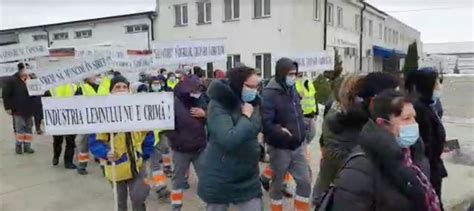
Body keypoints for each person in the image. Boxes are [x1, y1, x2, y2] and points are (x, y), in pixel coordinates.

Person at [330, 90, 440, 211]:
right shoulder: (360, 168)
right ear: (382, 123)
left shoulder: (414, 154)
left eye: (414, 117)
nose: (414, 124)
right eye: (406, 118)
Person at [198, 66, 263, 211]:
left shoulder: (255, 103)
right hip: (221, 176)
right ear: (238, 84)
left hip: (248, 176)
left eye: (256, 86)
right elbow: (229, 139)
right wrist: (245, 117)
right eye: (249, 86)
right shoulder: (218, 105)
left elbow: (259, 127)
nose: (254, 91)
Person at [88, 75, 154, 211]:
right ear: (111, 91)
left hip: (137, 165)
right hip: (115, 167)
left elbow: (148, 134)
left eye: (124, 87)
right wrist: (105, 153)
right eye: (117, 87)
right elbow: (94, 142)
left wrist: (145, 153)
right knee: (120, 203)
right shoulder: (103, 115)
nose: (121, 90)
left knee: (139, 197)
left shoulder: (138, 111)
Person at [261, 58, 311, 211]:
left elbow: (297, 112)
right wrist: (280, 131)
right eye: (290, 74)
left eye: (295, 74)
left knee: (305, 182)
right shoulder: (269, 93)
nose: (293, 77)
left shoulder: (292, 89)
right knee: (277, 185)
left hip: (297, 146)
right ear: (281, 73)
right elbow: (265, 121)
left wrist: (304, 128)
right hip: (280, 148)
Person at [312, 74, 367, 205]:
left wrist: (324, 145)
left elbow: (325, 126)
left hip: (330, 156)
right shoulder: (358, 114)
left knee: (324, 183)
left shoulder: (334, 105)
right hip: (345, 160)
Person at [162, 75, 207, 211]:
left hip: (199, 148)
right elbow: (167, 127)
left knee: (205, 178)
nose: (197, 92)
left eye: (198, 89)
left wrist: (205, 113)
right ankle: (176, 207)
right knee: (178, 181)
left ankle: (209, 206)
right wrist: (178, 140)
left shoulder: (200, 100)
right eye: (194, 89)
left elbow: (211, 116)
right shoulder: (173, 103)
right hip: (180, 150)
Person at [405, 69, 447, 210]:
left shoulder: (430, 106)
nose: (440, 86)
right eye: (437, 83)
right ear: (428, 85)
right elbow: (425, 145)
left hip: (433, 167)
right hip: (427, 170)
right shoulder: (420, 110)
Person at [75, 74, 111, 175]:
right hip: (87, 121)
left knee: (103, 144)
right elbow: (76, 104)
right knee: (84, 145)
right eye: (93, 75)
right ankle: (82, 165)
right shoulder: (81, 89)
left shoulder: (102, 88)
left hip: (101, 121)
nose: (95, 77)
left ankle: (105, 167)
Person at [2, 62, 35, 154]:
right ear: (20, 70)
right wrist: (8, 107)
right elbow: (5, 94)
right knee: (20, 129)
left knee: (29, 129)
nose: (27, 71)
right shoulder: (12, 80)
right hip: (18, 109)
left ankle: (27, 146)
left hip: (29, 109)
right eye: (25, 69)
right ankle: (19, 146)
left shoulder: (31, 79)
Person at [44, 83, 78, 169]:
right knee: (57, 141)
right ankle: (56, 156)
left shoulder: (74, 86)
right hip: (57, 119)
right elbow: (45, 101)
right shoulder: (51, 87)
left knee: (70, 142)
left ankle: (68, 161)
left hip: (71, 118)